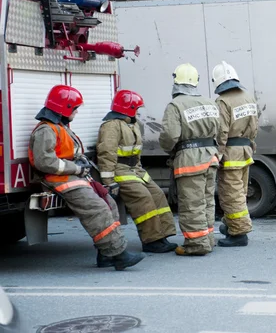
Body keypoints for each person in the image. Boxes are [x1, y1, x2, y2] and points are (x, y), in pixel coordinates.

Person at [28, 85, 144, 270]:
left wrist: (81, 167)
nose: (76, 112)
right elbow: (44, 162)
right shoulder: (46, 130)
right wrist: (76, 168)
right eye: (75, 108)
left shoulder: (59, 127)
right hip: (59, 180)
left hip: (71, 177)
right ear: (64, 108)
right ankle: (119, 255)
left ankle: (106, 255)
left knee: (109, 203)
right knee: (97, 208)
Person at [97, 90, 178, 254]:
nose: (138, 112)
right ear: (128, 108)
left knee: (158, 195)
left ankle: (162, 235)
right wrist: (109, 182)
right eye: (137, 108)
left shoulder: (132, 124)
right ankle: (151, 240)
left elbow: (136, 152)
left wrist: (138, 168)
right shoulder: (111, 126)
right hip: (120, 171)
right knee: (143, 198)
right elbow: (106, 154)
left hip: (135, 170)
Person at [159, 63, 220, 256]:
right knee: (207, 201)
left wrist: (169, 150)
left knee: (192, 203)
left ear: (176, 81)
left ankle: (196, 244)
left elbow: (170, 135)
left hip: (190, 159)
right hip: (211, 157)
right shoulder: (210, 102)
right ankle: (208, 238)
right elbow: (218, 130)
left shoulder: (175, 105)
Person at [212, 61, 258, 247]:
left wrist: (218, 154)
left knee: (231, 195)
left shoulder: (222, 101)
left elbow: (221, 131)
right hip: (245, 151)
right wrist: (251, 145)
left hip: (230, 154)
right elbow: (254, 127)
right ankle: (231, 225)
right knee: (241, 193)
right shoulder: (248, 97)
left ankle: (239, 234)